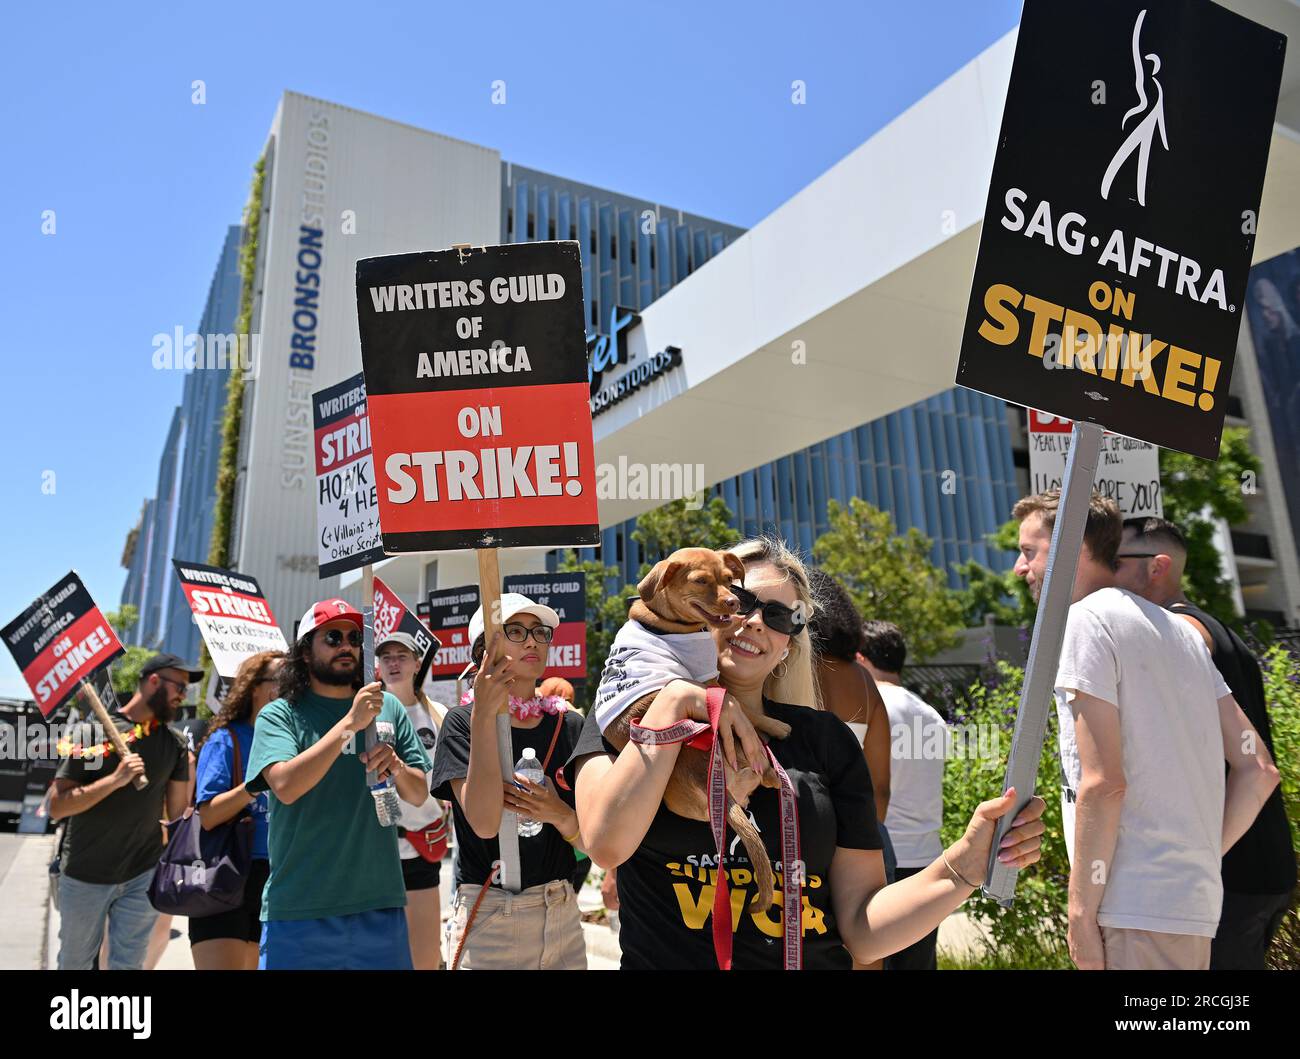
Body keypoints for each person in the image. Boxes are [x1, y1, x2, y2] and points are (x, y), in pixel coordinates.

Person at [572, 535, 1048, 970]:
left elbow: (862, 932)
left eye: (780, 617)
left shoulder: (825, 741)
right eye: (743, 600)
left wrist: (963, 864)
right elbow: (606, 843)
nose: (753, 621)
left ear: (788, 645)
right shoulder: (623, 714)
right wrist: (678, 699)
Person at [1013, 491, 1281, 970]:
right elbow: (1258, 769)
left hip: (1129, 906)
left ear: (1073, 548)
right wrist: (1193, 855)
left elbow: (1102, 782)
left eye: (1030, 551)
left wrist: (1079, 914)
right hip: (1185, 905)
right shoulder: (1179, 630)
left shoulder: (1085, 619)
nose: (1019, 567)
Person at [1114, 516, 1297, 968]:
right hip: (1260, 866)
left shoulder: (1184, 635)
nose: (1105, 573)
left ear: (1157, 566)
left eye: (1114, 560)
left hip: (1230, 875)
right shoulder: (1219, 630)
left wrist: (1199, 858)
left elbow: (1258, 767)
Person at [245, 599, 432, 970]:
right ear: (304, 651)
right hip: (300, 910)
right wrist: (350, 723)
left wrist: (394, 765)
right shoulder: (280, 714)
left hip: (379, 904)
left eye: (354, 637)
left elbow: (418, 792)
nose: (346, 645)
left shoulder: (388, 708)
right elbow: (285, 785)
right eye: (333, 637)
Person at [429, 593, 588, 970]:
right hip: (491, 919)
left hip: (561, 912)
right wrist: (484, 715)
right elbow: (483, 822)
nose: (533, 640)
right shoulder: (460, 722)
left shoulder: (571, 725)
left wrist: (558, 814)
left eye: (540, 632)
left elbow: (594, 845)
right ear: (483, 651)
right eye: (515, 631)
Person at [50, 654, 198, 970]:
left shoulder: (174, 745)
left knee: (128, 964)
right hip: (84, 873)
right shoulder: (91, 734)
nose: (183, 696)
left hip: (141, 875)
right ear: (154, 681)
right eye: (180, 687)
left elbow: (176, 817)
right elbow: (56, 805)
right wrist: (115, 781)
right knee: (76, 962)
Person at [807, 567, 893, 971]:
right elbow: (881, 787)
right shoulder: (863, 680)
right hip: (865, 839)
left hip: (808, 841)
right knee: (866, 955)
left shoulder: (794, 673)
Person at [859, 620, 950, 970]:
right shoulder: (931, 715)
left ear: (860, 658)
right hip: (927, 857)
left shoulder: (869, 705)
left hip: (883, 859)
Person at [188, 650, 284, 970]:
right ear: (254, 688)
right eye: (279, 679)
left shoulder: (293, 741)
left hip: (278, 876)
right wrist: (253, 786)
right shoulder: (226, 740)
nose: (288, 686)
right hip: (227, 872)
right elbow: (209, 815)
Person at [377, 630, 450, 970]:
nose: (393, 663)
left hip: (422, 846)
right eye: (386, 657)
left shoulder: (437, 713)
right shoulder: (364, 711)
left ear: (417, 663)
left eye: (401, 656)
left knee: (423, 956)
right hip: (373, 847)